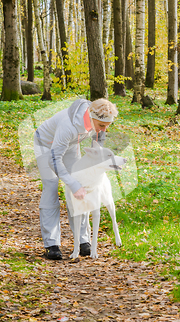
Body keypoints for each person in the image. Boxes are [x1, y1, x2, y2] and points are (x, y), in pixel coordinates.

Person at [33, 98, 118, 260]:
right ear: (91, 116)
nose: (104, 130)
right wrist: (71, 183)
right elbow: (54, 160)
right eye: (102, 126)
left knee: (82, 186)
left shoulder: (98, 122)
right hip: (45, 144)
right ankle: (51, 244)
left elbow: (98, 144)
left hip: (71, 144)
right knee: (51, 186)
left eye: (107, 126)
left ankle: (83, 240)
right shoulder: (68, 126)